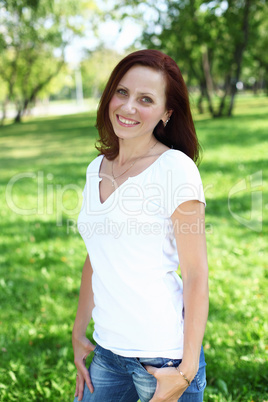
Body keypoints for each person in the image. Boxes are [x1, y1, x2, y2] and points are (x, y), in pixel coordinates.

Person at [72, 49, 209, 402]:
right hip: (107, 352)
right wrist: (78, 331)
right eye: (122, 92)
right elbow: (96, 256)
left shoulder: (174, 169)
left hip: (163, 360)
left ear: (166, 113)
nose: (128, 106)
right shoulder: (95, 168)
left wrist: (185, 371)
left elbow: (196, 273)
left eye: (145, 99)